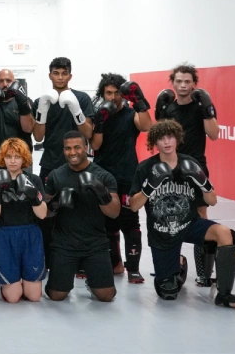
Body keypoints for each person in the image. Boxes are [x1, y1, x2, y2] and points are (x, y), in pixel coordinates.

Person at [128, 121, 235, 308]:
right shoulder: (145, 168)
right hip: (161, 233)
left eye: (170, 137)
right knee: (167, 292)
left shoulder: (189, 163)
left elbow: (212, 200)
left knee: (225, 233)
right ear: (154, 143)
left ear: (177, 138)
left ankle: (224, 294)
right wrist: (149, 187)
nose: (167, 142)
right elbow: (134, 206)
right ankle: (179, 264)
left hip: (189, 224)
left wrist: (202, 182)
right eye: (161, 138)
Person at [154, 63, 221, 287]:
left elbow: (214, 135)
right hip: (170, 166)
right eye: (179, 81)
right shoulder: (169, 108)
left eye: (187, 82)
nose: (183, 85)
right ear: (172, 83)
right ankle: (171, 265)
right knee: (167, 214)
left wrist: (207, 110)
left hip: (196, 166)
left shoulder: (201, 106)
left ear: (194, 84)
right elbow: (160, 138)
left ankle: (204, 273)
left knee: (200, 214)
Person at [31, 58, 95, 275]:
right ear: (49, 75)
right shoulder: (41, 100)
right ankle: (49, 261)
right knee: (47, 215)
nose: (59, 77)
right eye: (55, 73)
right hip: (50, 164)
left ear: (70, 75)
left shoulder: (83, 98)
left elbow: (88, 133)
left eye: (63, 73)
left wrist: (75, 108)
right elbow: (38, 135)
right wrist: (42, 110)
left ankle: (82, 261)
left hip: (78, 165)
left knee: (79, 213)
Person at [89, 73, 152, 283]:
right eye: (109, 92)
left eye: (117, 92)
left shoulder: (131, 113)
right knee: (104, 222)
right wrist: (99, 122)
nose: (113, 96)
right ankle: (113, 263)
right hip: (103, 174)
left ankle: (133, 268)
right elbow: (95, 146)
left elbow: (146, 127)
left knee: (130, 220)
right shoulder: (100, 113)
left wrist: (140, 102)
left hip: (127, 173)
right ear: (102, 93)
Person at [43, 131, 119, 302]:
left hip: (95, 243)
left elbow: (114, 212)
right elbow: (45, 213)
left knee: (106, 296)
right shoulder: (56, 175)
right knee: (56, 295)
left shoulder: (103, 175)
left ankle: (93, 281)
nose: (72, 152)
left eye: (77, 147)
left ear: (86, 147)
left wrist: (100, 190)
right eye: (68, 148)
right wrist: (55, 202)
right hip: (64, 244)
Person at [0, 138, 47, 302]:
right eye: (9, 156)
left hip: (30, 233)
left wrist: (34, 196)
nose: (13, 161)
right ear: (3, 158)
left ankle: (20, 279)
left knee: (34, 296)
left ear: (24, 158)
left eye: (17, 157)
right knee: (13, 298)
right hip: (5, 234)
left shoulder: (34, 181)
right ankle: (10, 283)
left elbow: (42, 214)